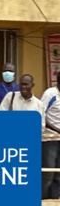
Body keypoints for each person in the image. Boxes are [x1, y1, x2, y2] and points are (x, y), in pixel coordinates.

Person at [42, 71, 60, 199]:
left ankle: (54, 200)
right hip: (50, 139)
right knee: (48, 174)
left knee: (58, 175)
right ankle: (42, 199)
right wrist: (57, 130)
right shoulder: (50, 94)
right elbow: (41, 115)